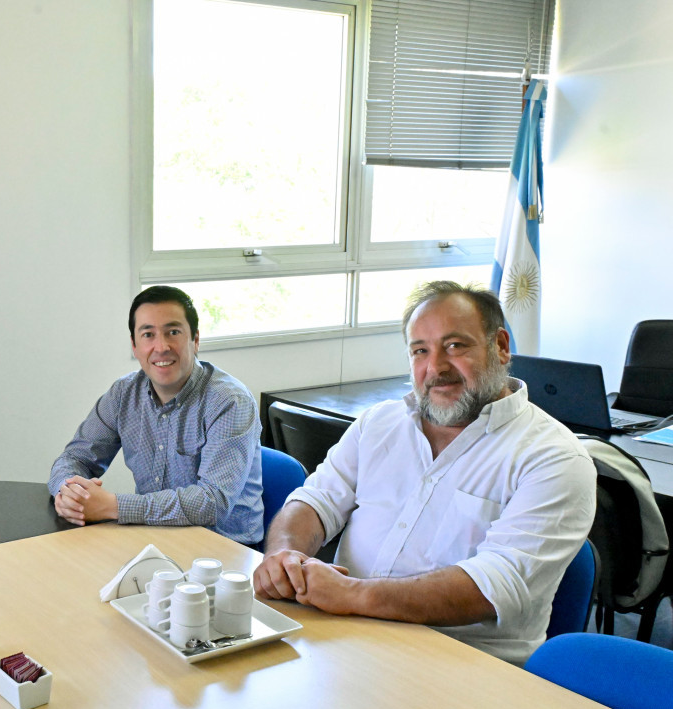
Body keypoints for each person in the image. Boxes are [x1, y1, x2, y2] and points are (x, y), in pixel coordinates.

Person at [252, 281, 597, 664]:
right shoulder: (379, 423)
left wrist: (353, 594)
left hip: (463, 666)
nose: (436, 368)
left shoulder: (554, 458)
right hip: (344, 639)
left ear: (500, 346)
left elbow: (493, 585)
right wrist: (284, 556)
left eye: (455, 346)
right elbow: (315, 502)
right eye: (420, 350)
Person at [48, 285, 265, 546]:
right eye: (148, 334)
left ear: (195, 340)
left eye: (173, 332)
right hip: (152, 541)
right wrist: (68, 492)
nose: (161, 347)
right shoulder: (123, 393)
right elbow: (74, 457)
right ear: (135, 346)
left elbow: (213, 503)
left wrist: (114, 506)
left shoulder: (229, 401)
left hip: (224, 552)